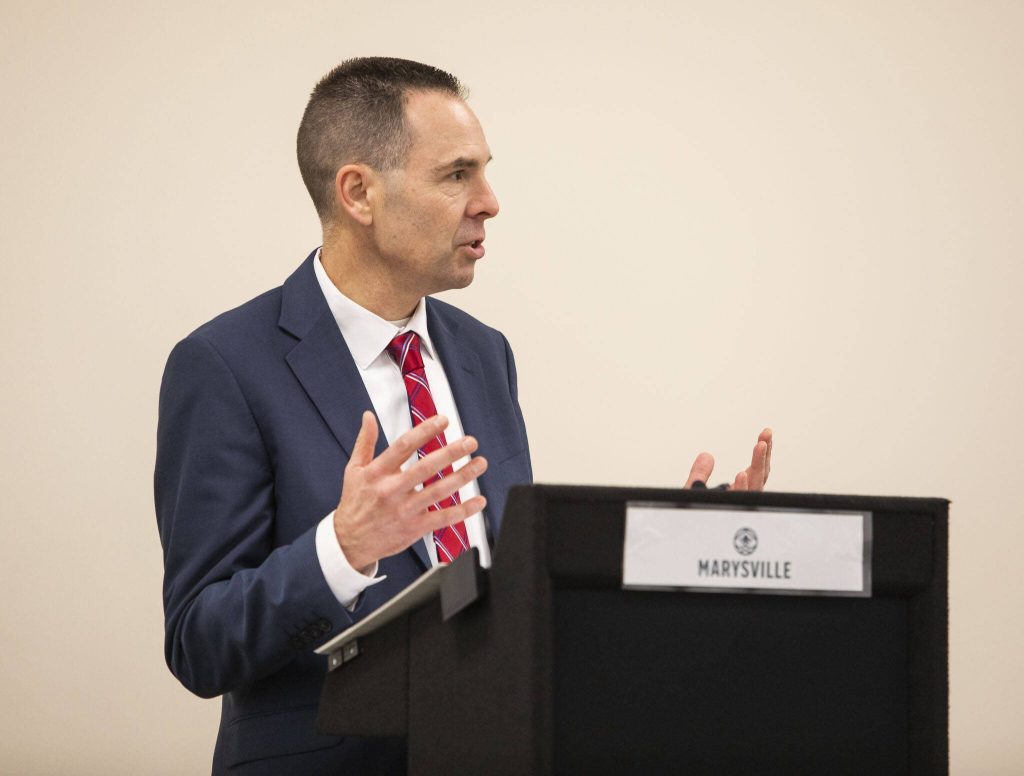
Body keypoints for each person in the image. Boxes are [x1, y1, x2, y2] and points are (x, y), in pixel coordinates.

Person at [154, 57, 772, 775]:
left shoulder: (484, 354)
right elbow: (199, 643)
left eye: (484, 172)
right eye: (456, 175)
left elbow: (506, 593)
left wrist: (677, 551)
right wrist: (341, 549)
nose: (489, 201)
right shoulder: (225, 364)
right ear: (359, 192)